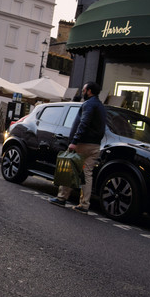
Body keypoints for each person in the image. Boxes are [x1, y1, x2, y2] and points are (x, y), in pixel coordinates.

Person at [49, 81, 106, 214]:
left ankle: (62, 198)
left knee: (70, 169)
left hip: (83, 144)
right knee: (87, 174)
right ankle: (84, 205)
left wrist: (75, 141)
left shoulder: (89, 104)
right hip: (95, 146)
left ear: (89, 91)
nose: (82, 92)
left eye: (84, 90)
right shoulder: (101, 106)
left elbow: (84, 123)